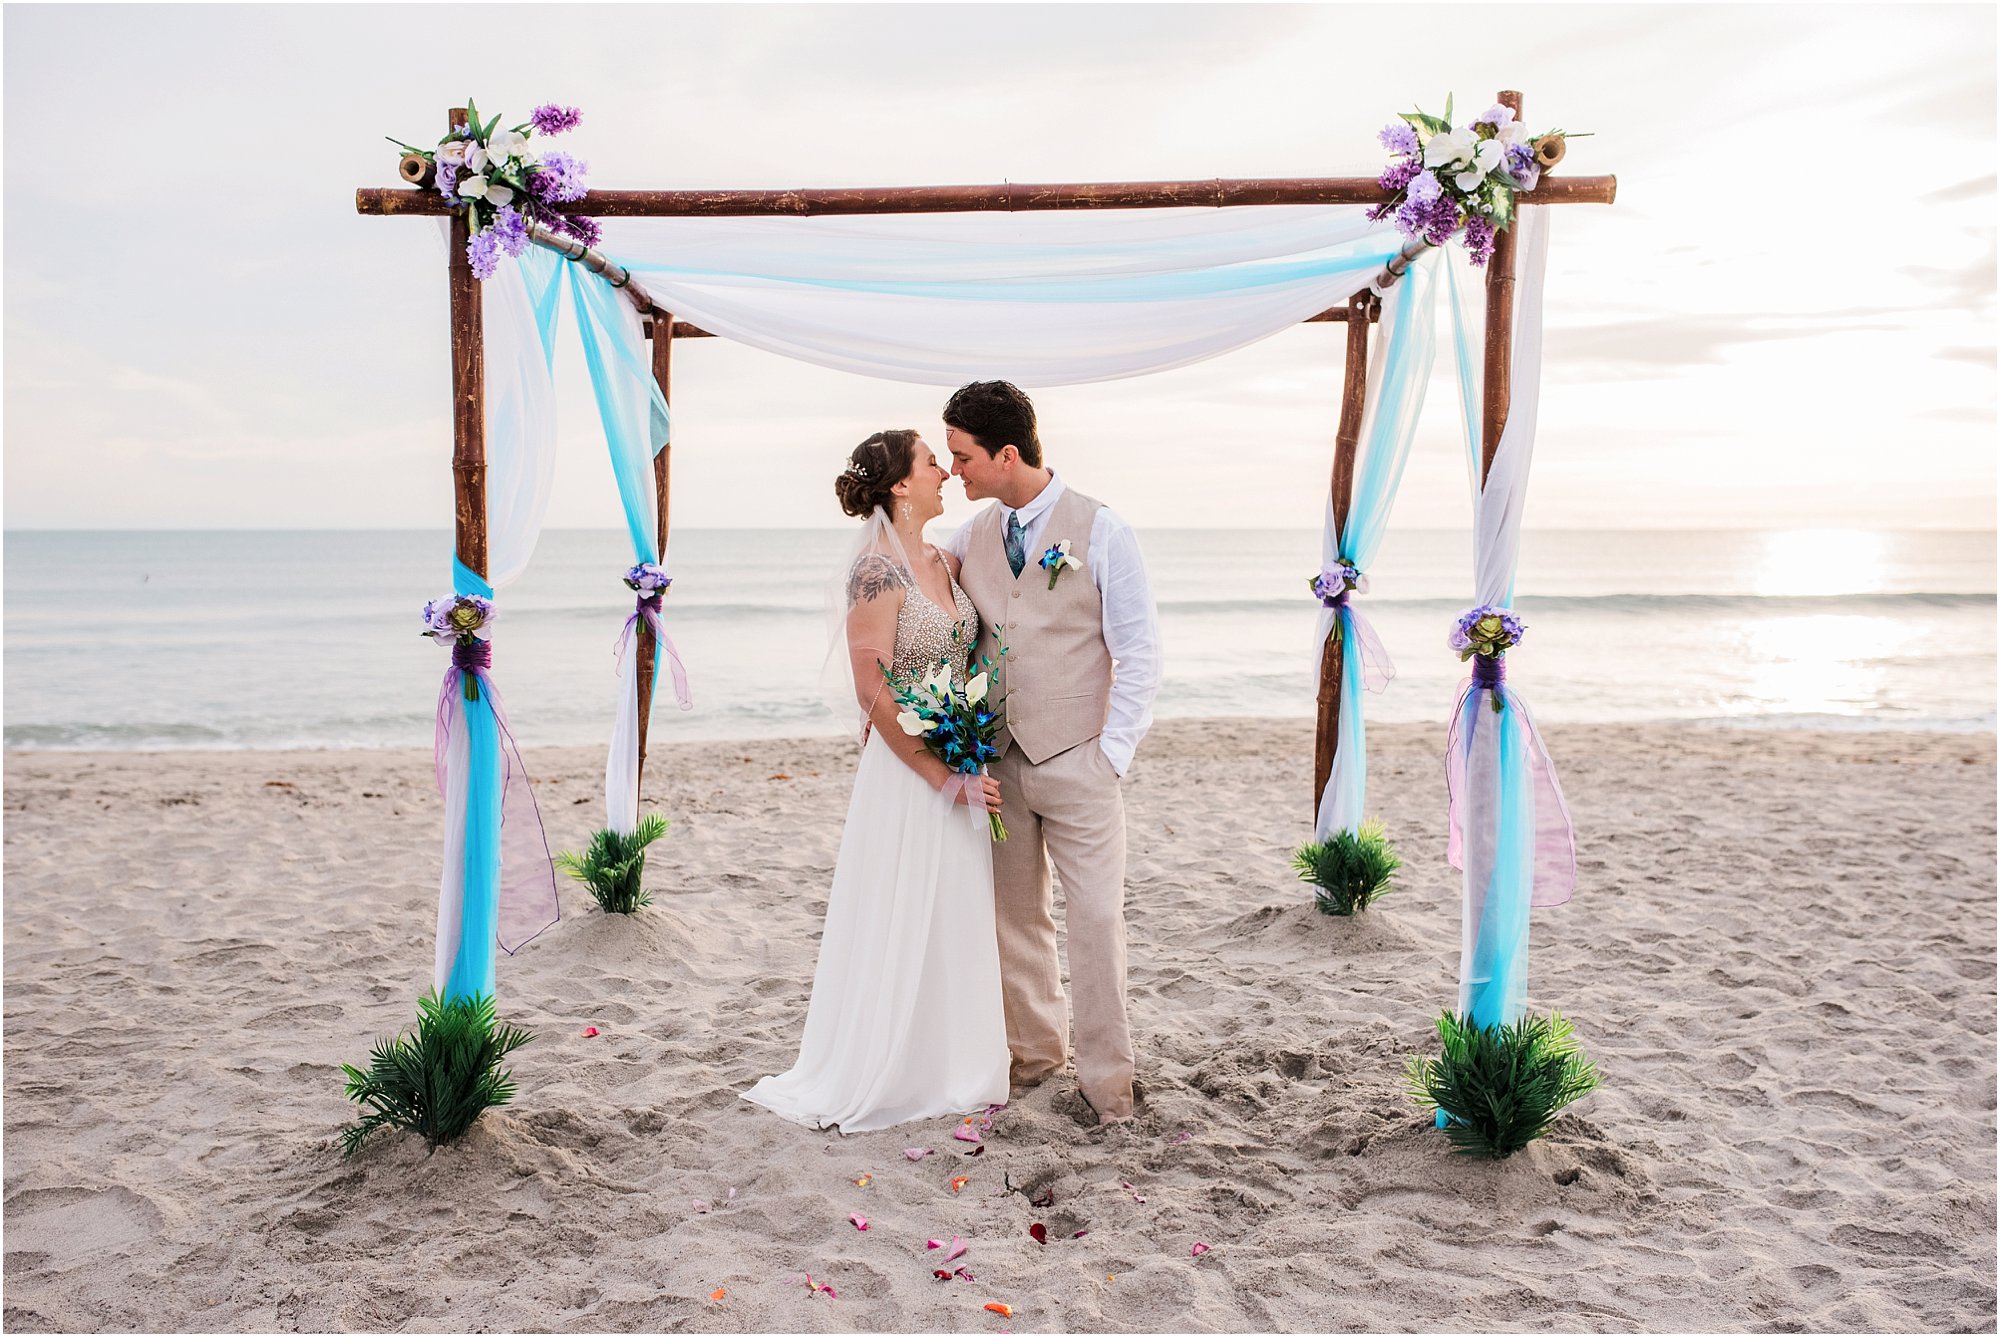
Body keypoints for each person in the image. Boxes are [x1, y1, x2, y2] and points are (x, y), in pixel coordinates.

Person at [742, 430, 1009, 1132]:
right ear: (899, 484)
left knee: (951, 910)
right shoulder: (875, 572)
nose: (945, 473)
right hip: (907, 775)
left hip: (958, 755)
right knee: (900, 909)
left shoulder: (940, 560)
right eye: (931, 464)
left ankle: (956, 1062)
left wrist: (965, 752)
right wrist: (938, 775)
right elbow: (873, 688)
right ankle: (891, 1065)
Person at [942, 381, 1162, 1125]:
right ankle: (1036, 1060)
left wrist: (1112, 755)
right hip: (997, 763)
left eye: (964, 457)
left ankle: (1109, 1085)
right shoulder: (968, 534)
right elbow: (913, 577)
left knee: (1096, 919)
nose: (956, 472)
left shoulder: (1102, 530)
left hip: (1079, 761)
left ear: (1008, 453)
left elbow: (1139, 652)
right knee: (1015, 918)